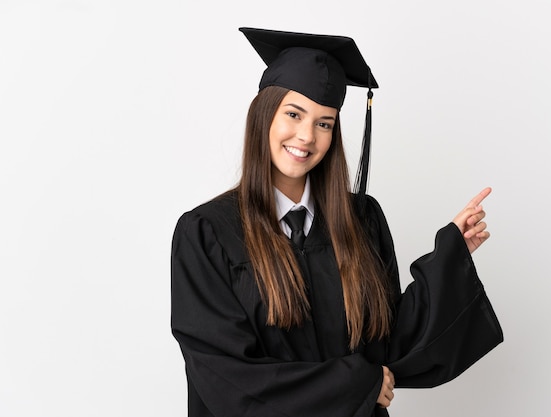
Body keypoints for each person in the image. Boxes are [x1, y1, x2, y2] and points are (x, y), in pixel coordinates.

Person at [171, 27, 503, 417]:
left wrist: (451, 257)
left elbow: (390, 345)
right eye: (293, 114)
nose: (307, 136)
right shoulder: (208, 233)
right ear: (264, 115)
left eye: (324, 123)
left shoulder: (362, 221)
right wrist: (356, 384)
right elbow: (225, 377)